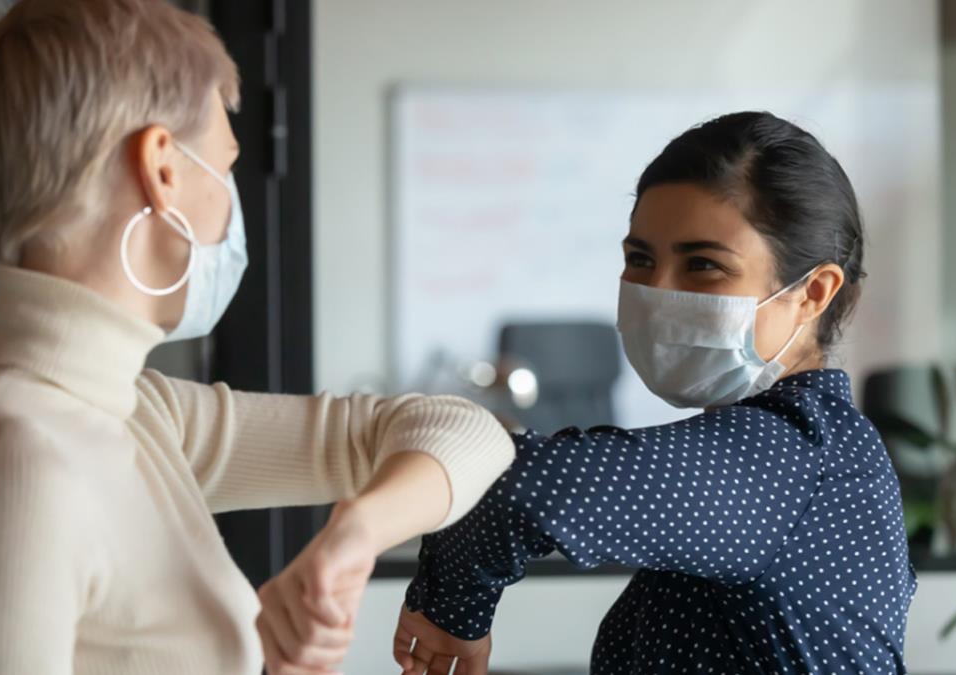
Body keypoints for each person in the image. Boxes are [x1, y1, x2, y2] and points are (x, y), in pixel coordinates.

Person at [0, 2, 514, 674]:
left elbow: (467, 431)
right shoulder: (15, 462)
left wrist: (353, 533)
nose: (228, 199)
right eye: (224, 165)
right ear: (162, 168)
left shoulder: (132, 412)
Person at [388, 112, 917, 674]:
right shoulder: (807, 452)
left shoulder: (793, 454)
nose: (657, 292)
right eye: (640, 259)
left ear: (812, 292)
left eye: (704, 265)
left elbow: (516, 486)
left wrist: (450, 615)